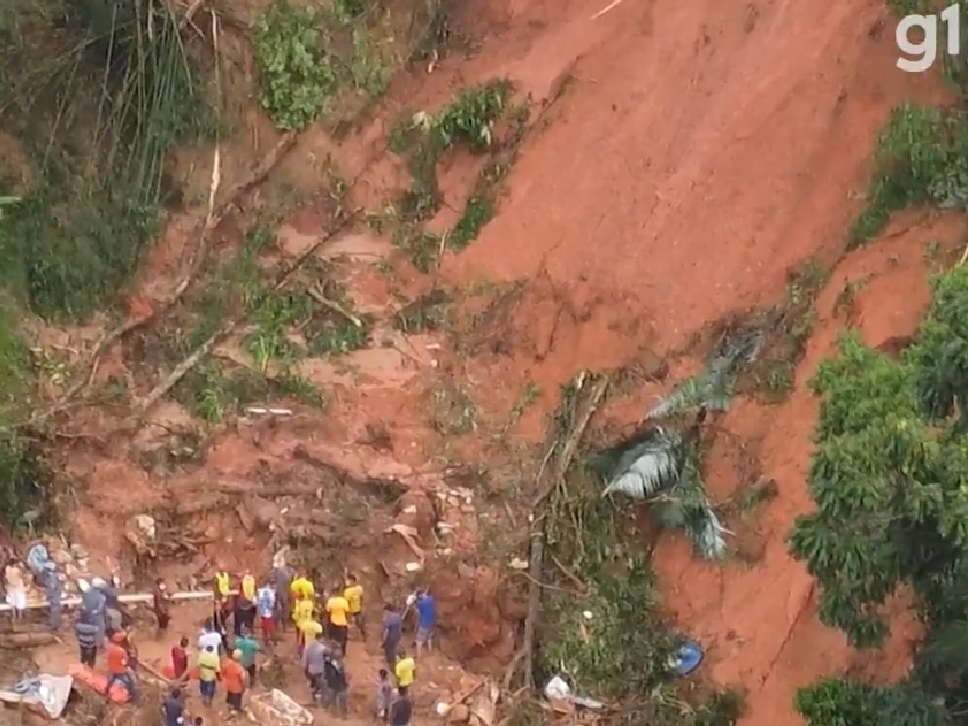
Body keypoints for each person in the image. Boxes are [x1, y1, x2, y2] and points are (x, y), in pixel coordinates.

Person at [105, 631, 137, 703]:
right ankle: (133, 698)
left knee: (109, 683)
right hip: (121, 671)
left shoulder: (109, 647)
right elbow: (124, 663)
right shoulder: (121, 651)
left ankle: (106, 694)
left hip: (111, 670)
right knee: (133, 683)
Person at [301, 632, 328, 703]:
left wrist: (305, 669)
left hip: (310, 670)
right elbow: (326, 660)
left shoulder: (308, 647)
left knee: (313, 685)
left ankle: (314, 700)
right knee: (320, 686)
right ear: (321, 638)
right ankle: (320, 701)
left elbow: (305, 659)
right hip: (320, 670)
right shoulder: (323, 648)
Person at [323, 646, 348, 717]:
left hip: (336, 683)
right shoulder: (334, 664)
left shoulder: (330, 663)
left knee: (337, 699)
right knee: (338, 699)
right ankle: (339, 714)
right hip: (337, 683)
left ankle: (339, 714)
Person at [325, 587, 350, 656]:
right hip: (342, 622)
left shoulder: (330, 601)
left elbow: (328, 613)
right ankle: (343, 652)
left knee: (333, 638)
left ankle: (333, 652)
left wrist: (328, 622)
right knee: (343, 639)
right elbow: (346, 612)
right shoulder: (344, 601)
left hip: (333, 622)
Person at [222, 649, 247, 715]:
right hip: (237, 688)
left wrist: (226, 679)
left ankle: (230, 708)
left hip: (229, 686)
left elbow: (223, 672)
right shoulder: (240, 668)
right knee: (237, 702)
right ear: (240, 658)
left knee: (230, 699)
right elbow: (242, 680)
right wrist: (244, 688)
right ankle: (234, 713)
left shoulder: (227, 663)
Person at [272, 561, 293, 632]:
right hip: (284, 593)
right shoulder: (289, 572)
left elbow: (273, 580)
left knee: (279, 610)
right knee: (283, 610)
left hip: (280, 592)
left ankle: (278, 626)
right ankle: (282, 627)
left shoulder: (279, 570)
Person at [343, 573, 366, 639]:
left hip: (357, 609)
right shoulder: (347, 591)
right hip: (349, 610)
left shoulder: (359, 589)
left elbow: (362, 597)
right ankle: (347, 635)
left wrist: (361, 605)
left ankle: (363, 635)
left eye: (349, 580)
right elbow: (346, 601)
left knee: (360, 622)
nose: (348, 582)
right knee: (347, 623)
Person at [414, 588, 436, 656]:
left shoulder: (422, 603)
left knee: (418, 641)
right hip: (431, 622)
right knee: (428, 637)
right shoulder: (431, 599)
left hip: (424, 623)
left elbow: (417, 610)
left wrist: (416, 598)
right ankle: (430, 650)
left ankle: (419, 656)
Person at [43, 562, 62, 631]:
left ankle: (54, 626)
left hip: (54, 597)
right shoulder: (53, 576)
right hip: (54, 597)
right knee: (52, 611)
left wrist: (46, 595)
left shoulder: (52, 577)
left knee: (54, 611)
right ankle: (53, 624)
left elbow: (52, 588)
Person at [213, 567, 232, 632]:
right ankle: (218, 626)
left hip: (225, 595)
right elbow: (215, 587)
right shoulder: (217, 577)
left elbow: (228, 585)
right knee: (217, 611)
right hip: (219, 596)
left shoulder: (226, 575)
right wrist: (217, 598)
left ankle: (223, 625)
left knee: (224, 611)